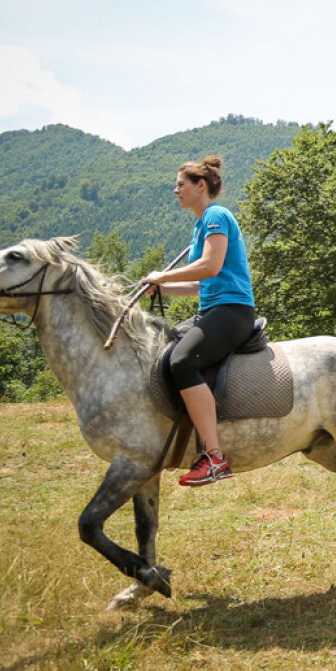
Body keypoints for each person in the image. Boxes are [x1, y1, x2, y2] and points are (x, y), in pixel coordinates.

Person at [141, 156, 255, 487]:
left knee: (182, 360)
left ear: (200, 186)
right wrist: (163, 285)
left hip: (233, 311)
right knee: (166, 348)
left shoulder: (216, 215)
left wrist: (163, 274)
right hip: (213, 309)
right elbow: (200, 282)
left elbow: (211, 265)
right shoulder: (200, 224)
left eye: (181, 185)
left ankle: (215, 457)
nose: (175, 190)